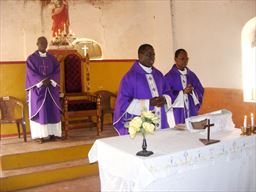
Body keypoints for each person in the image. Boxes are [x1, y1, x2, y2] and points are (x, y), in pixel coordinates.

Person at [113, 44, 173, 135]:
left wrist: (165, 99)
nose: (152, 58)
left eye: (153, 55)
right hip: (141, 124)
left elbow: (168, 91)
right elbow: (123, 103)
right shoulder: (130, 77)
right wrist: (148, 103)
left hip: (161, 122)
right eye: (148, 55)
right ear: (140, 55)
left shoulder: (159, 75)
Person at [25, 36, 62, 143]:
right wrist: (41, 81)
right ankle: (39, 135)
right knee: (40, 112)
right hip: (38, 90)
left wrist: (51, 80)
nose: (43, 45)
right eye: (41, 43)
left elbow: (57, 71)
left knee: (52, 110)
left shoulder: (52, 58)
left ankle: (53, 134)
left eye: (45, 43)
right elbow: (31, 73)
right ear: (37, 44)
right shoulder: (31, 59)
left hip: (51, 88)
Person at [164, 48, 204, 124]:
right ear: (175, 59)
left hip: (191, 111)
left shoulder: (191, 75)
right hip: (178, 113)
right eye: (182, 59)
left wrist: (192, 91)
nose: (185, 61)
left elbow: (200, 89)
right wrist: (182, 93)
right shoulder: (168, 77)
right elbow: (166, 95)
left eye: (186, 59)